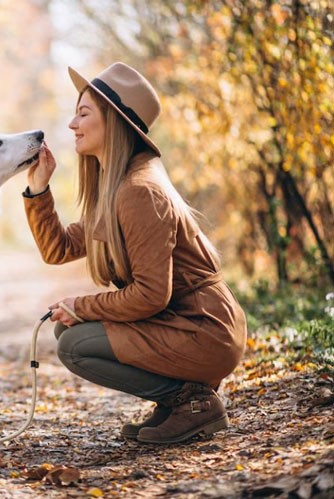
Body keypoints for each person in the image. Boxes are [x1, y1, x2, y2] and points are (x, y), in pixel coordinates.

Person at [23, 62, 247, 444]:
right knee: (68, 329)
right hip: (183, 323)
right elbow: (57, 249)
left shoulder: (139, 191)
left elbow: (150, 294)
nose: (72, 125)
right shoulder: (117, 188)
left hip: (203, 329)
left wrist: (83, 304)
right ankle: (176, 403)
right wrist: (38, 188)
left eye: (83, 113)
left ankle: (191, 403)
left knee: (75, 345)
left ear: (114, 122)